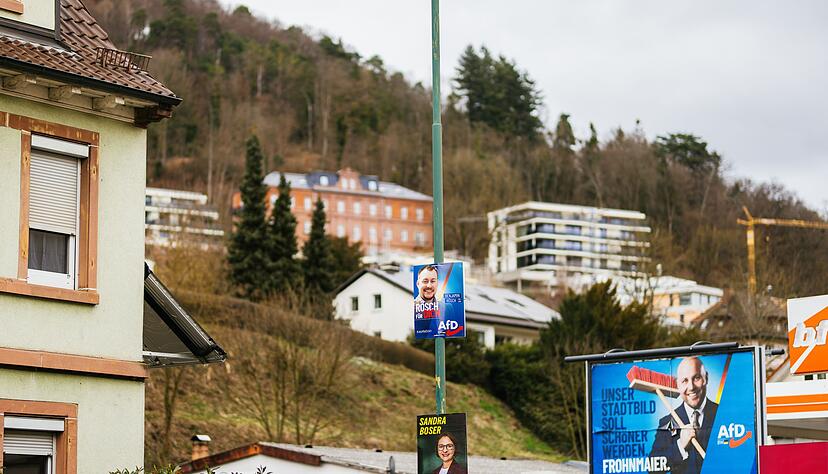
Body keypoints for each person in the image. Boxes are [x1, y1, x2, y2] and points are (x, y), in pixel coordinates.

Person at [649, 356, 719, 474]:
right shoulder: (666, 422)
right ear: (678, 385)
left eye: (696, 378)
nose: (691, 387)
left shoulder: (722, 413)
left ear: (705, 378)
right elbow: (653, 468)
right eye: (685, 381)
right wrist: (680, 445)